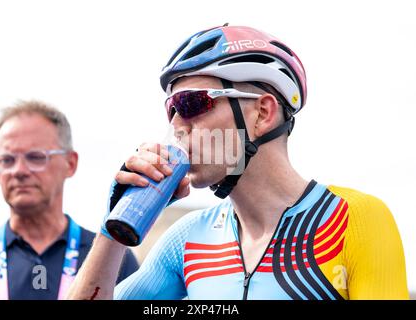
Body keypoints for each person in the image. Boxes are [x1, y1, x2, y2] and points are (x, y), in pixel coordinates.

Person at [67, 24, 409, 300]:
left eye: (192, 103)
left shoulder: (353, 220)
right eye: (171, 109)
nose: (175, 125)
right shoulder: (188, 239)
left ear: (262, 113)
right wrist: (113, 229)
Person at [0, 101, 138, 300]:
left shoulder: (113, 259)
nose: (19, 170)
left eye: (36, 157)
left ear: (70, 163)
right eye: (7, 160)